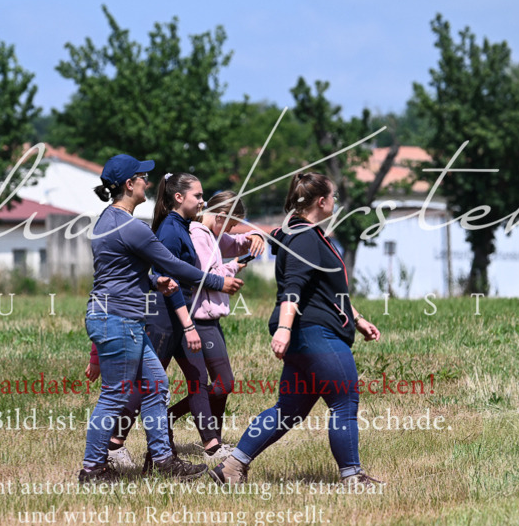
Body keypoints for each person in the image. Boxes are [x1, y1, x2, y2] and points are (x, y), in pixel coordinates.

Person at [209, 172, 384, 486]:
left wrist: (357, 319)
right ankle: (352, 476)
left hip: (309, 332)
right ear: (321, 201)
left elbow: (326, 290)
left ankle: (232, 467)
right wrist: (285, 328)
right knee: (344, 400)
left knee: (289, 410)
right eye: (333, 196)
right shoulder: (304, 237)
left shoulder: (304, 234)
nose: (335, 202)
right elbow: (295, 286)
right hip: (314, 332)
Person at [82, 155, 243, 482]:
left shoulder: (107, 221)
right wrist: (217, 282)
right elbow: (175, 265)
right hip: (118, 319)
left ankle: (164, 459)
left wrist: (154, 282)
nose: (147, 183)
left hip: (114, 316)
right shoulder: (131, 227)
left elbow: (118, 271)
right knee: (114, 395)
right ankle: (92, 468)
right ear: (130, 184)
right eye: (142, 177)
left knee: (156, 386)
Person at [164, 190, 264, 454]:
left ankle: (214, 442)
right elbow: (206, 275)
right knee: (223, 383)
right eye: (230, 224)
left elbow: (233, 243)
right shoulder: (198, 234)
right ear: (220, 216)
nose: (231, 230)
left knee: (221, 383)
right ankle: (170, 419)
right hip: (199, 318)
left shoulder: (211, 233)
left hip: (210, 318)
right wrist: (235, 267)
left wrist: (254, 237)